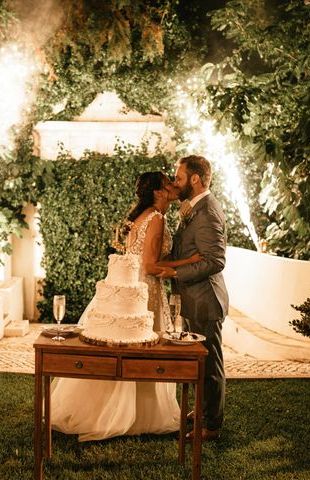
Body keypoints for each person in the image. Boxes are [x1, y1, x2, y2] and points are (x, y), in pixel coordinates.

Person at [49, 171, 201, 442]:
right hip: (143, 291)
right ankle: (131, 417)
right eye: (168, 182)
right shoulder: (156, 217)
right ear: (157, 191)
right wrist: (188, 262)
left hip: (130, 286)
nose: (173, 185)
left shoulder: (141, 217)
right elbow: (150, 266)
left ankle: (128, 414)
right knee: (143, 354)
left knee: (127, 352)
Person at [159, 155, 229, 442]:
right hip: (194, 298)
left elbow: (215, 261)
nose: (176, 182)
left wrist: (176, 274)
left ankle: (211, 425)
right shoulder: (194, 209)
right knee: (200, 362)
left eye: (179, 177)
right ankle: (202, 410)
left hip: (206, 299)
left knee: (210, 365)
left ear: (195, 179)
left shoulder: (208, 212)